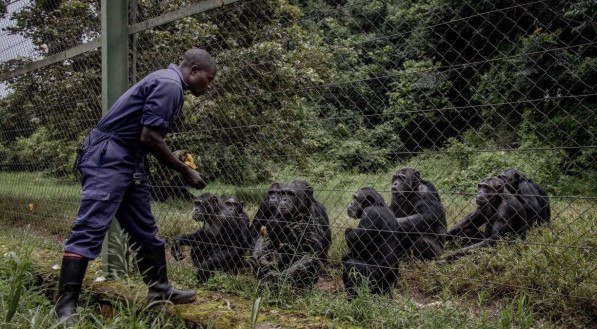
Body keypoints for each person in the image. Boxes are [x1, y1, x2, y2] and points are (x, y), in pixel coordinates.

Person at [55, 48, 217, 326]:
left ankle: (160, 290)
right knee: (89, 229)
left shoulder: (170, 84)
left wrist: (179, 163)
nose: (209, 85)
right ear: (193, 71)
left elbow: (146, 138)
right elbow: (150, 136)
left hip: (131, 159)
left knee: (144, 229)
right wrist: (184, 171)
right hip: (109, 157)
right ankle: (64, 308)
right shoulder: (170, 85)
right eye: (209, 78)